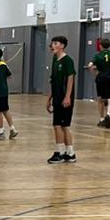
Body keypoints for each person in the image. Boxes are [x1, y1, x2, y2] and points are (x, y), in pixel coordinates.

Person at [45, 35, 76, 164]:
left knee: (61, 125)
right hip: (57, 97)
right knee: (60, 125)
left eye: (55, 43)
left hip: (64, 98)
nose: (52, 46)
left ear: (62, 46)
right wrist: (49, 98)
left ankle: (60, 152)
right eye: (52, 43)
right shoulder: (55, 59)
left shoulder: (67, 60)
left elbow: (70, 78)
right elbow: (53, 80)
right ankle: (70, 153)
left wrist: (68, 96)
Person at [91, 39, 110, 129]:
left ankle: (101, 119)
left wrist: (94, 73)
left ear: (100, 45)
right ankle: (108, 113)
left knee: (100, 98)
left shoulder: (98, 55)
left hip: (100, 78)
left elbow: (90, 65)